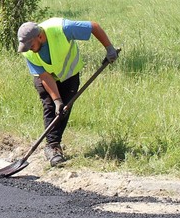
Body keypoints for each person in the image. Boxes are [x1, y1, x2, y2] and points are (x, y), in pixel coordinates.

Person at [16, 18, 118, 167]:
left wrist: (109, 48)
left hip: (69, 74)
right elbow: (44, 76)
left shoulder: (62, 28)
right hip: (46, 77)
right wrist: (57, 100)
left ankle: (54, 144)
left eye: (30, 45)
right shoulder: (28, 52)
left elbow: (93, 27)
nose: (29, 48)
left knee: (65, 109)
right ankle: (53, 147)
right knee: (51, 106)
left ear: (39, 36)